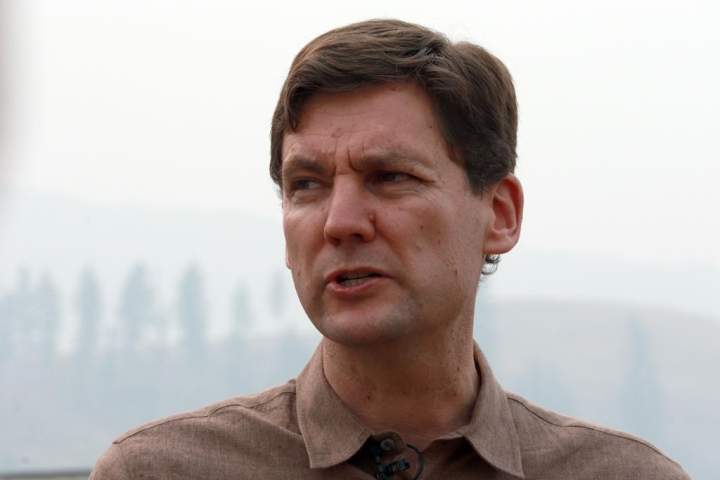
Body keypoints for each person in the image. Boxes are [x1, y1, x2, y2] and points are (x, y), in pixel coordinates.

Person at [91, 19, 689, 479]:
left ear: (500, 214)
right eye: (307, 185)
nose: (340, 222)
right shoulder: (160, 471)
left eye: (389, 177)